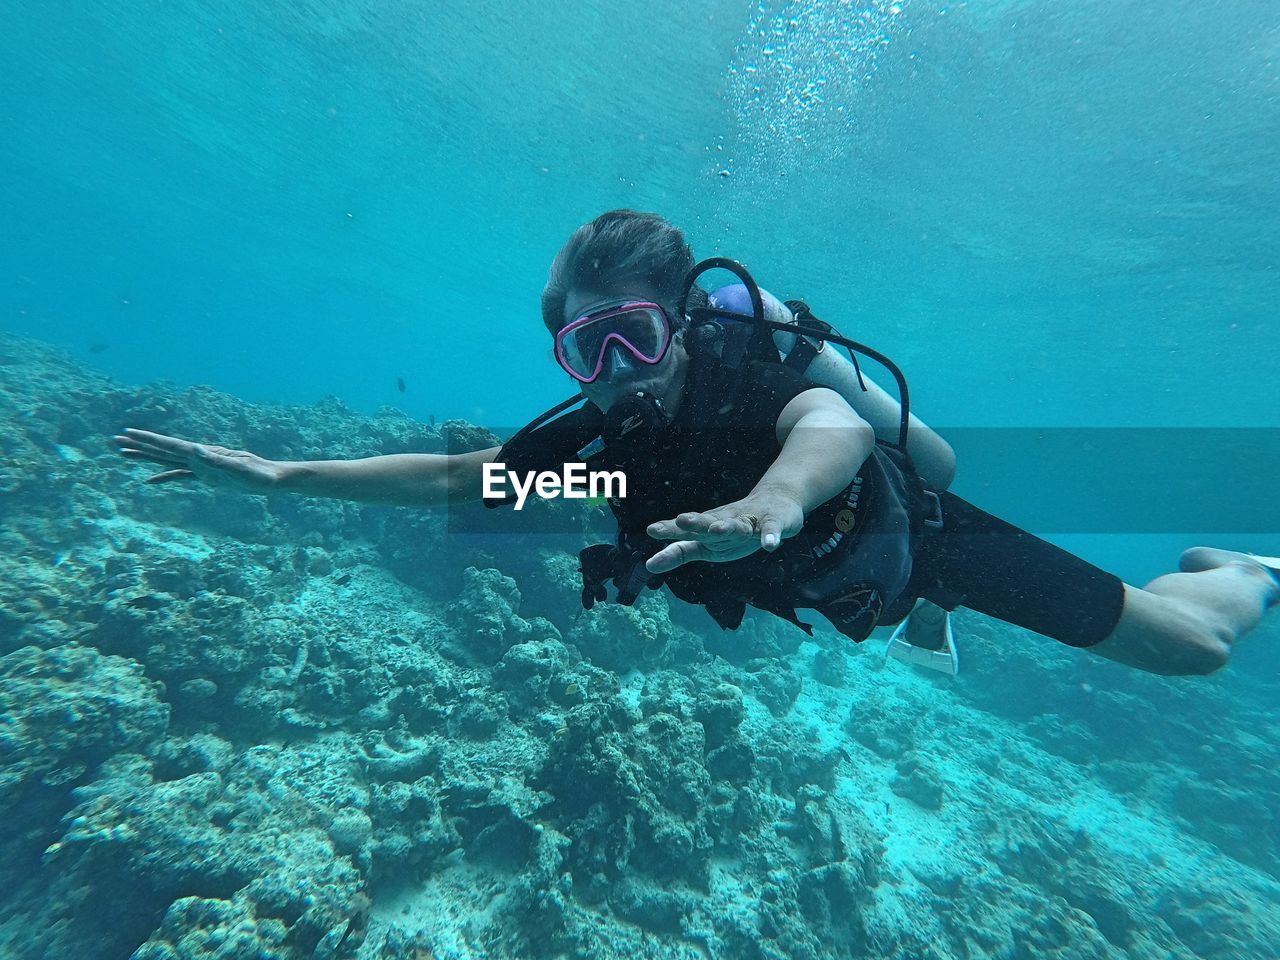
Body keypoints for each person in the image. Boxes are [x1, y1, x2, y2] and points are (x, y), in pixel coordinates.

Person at [116, 210, 1280, 677]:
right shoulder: (607, 452)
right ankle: (915, 617)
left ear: (677, 322)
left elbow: (827, 427)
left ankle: (1237, 569)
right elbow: (458, 479)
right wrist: (279, 474)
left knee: (1192, 652)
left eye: (628, 338)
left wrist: (764, 508)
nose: (613, 377)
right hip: (818, 566)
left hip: (907, 538)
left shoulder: (748, 374)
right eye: (584, 353)